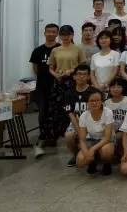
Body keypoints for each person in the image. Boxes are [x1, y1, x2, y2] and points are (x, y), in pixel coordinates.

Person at [29, 23, 60, 158]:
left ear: (57, 34)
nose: (51, 34)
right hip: (41, 87)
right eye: (49, 31)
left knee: (55, 112)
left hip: (57, 86)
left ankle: (53, 136)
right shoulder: (38, 50)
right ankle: (43, 135)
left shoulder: (60, 49)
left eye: (54, 32)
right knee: (43, 112)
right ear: (45, 33)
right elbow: (35, 68)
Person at [76, 88, 115, 175]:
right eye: (91, 101)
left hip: (106, 141)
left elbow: (107, 138)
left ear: (101, 101)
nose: (94, 103)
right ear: (87, 102)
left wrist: (92, 149)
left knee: (106, 151)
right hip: (91, 140)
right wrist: (86, 153)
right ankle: (92, 162)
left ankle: (106, 164)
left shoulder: (108, 112)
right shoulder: (83, 116)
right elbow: (82, 140)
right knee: (80, 160)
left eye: (97, 100)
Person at [63, 64, 93, 167]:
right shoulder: (68, 93)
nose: (81, 76)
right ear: (74, 76)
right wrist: (79, 131)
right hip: (76, 122)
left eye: (84, 74)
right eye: (79, 74)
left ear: (88, 77)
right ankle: (75, 155)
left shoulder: (94, 92)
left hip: (92, 122)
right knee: (69, 135)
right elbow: (70, 114)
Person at [104, 79, 127, 155]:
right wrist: (112, 132)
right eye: (113, 87)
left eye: (119, 87)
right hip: (111, 131)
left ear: (123, 88)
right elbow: (106, 121)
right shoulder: (106, 103)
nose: (116, 89)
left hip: (126, 131)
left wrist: (122, 131)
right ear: (109, 88)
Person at [90, 30, 120, 95]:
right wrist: (97, 87)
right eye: (101, 38)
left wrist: (106, 84)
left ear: (111, 40)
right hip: (96, 88)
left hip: (111, 88)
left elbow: (115, 71)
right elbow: (92, 74)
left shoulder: (116, 54)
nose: (103, 40)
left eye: (106, 38)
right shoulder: (94, 56)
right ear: (98, 41)